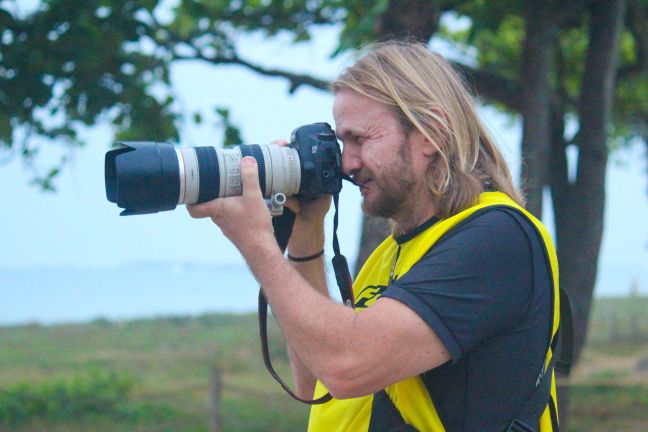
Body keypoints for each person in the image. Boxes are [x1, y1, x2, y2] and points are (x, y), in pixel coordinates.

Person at [187, 42, 561, 432]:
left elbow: (347, 365)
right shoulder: (395, 254)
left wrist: (258, 245)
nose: (347, 163)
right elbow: (318, 379)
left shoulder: (498, 239)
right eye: (341, 143)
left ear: (430, 132)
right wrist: (305, 233)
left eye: (360, 139)